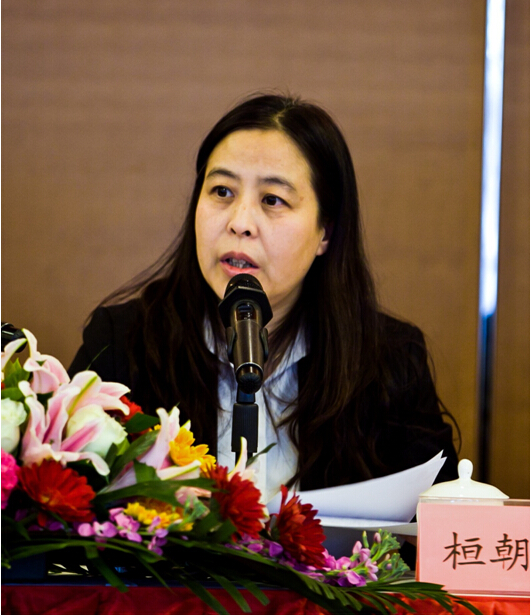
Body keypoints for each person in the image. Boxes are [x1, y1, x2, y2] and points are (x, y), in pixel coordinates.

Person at [69, 93, 459, 506]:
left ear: (325, 231)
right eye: (221, 191)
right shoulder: (122, 344)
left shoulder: (389, 363)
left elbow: (441, 525)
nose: (240, 223)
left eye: (273, 200)